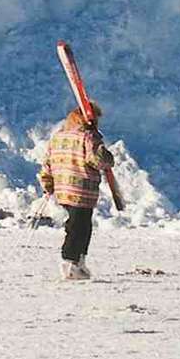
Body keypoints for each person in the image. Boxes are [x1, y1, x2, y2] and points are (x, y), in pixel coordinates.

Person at [38, 101, 116, 280]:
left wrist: (48, 184)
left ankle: (75, 261)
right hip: (82, 188)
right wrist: (107, 156)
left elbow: (47, 163)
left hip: (63, 189)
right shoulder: (89, 137)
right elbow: (98, 161)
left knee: (75, 224)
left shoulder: (58, 137)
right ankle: (72, 260)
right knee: (80, 227)